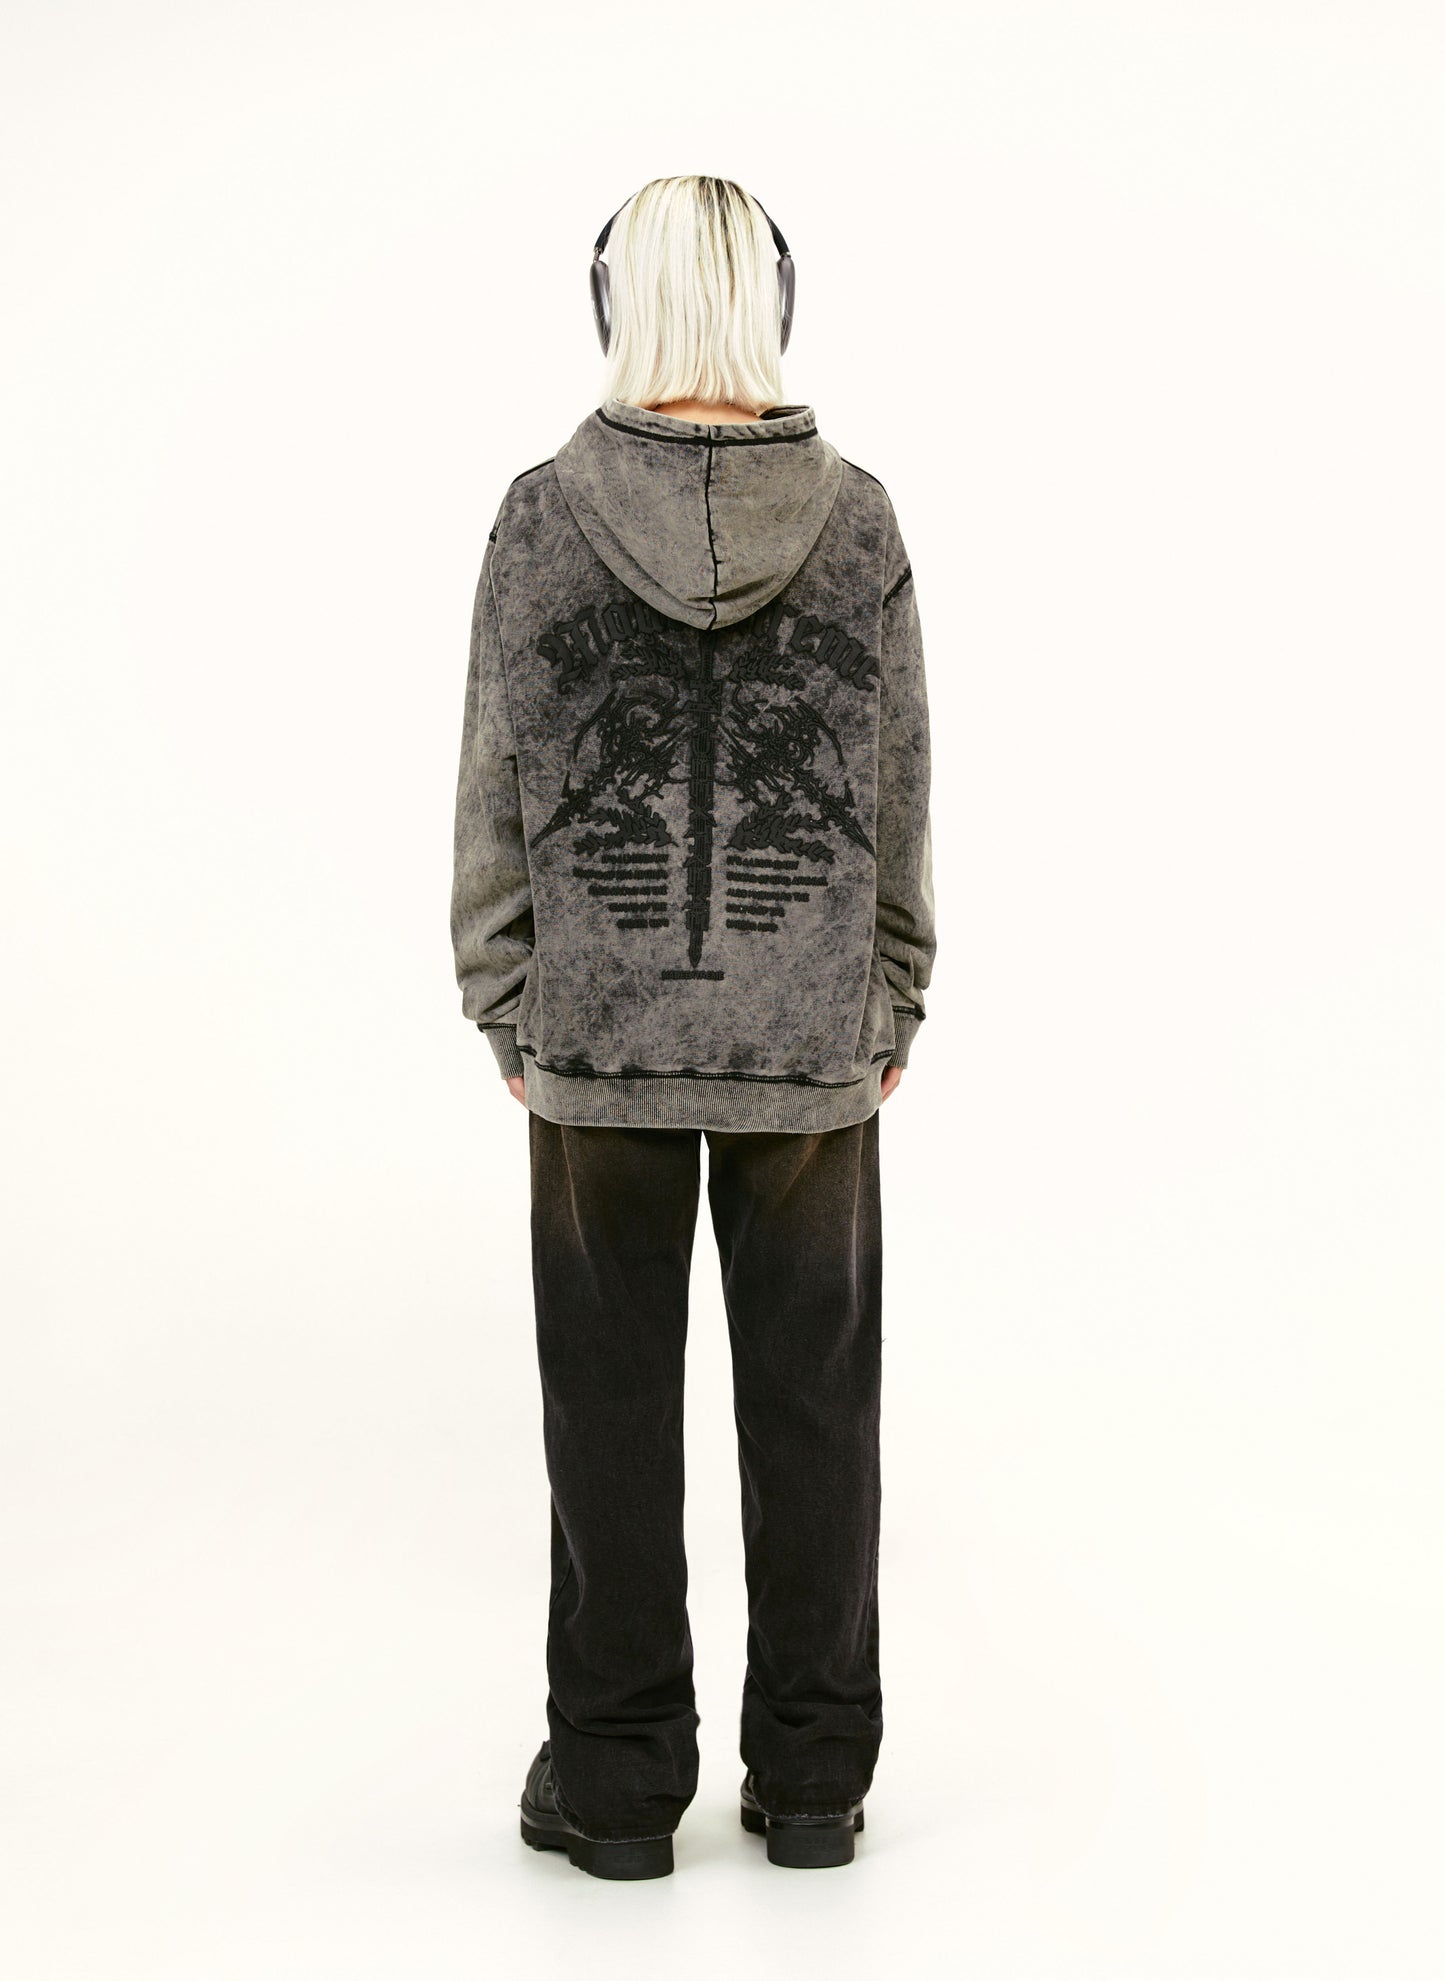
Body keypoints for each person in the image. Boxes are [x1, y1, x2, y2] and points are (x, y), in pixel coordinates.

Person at [450, 175, 937, 1878]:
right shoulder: (858, 518)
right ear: (768, 300)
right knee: (817, 1408)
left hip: (594, 1034)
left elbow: (497, 780)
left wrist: (502, 991)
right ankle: (810, 1781)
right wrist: (893, 984)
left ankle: (613, 1784)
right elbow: (896, 781)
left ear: (618, 301)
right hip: (810, 1036)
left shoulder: (539, 516)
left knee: (603, 1413)